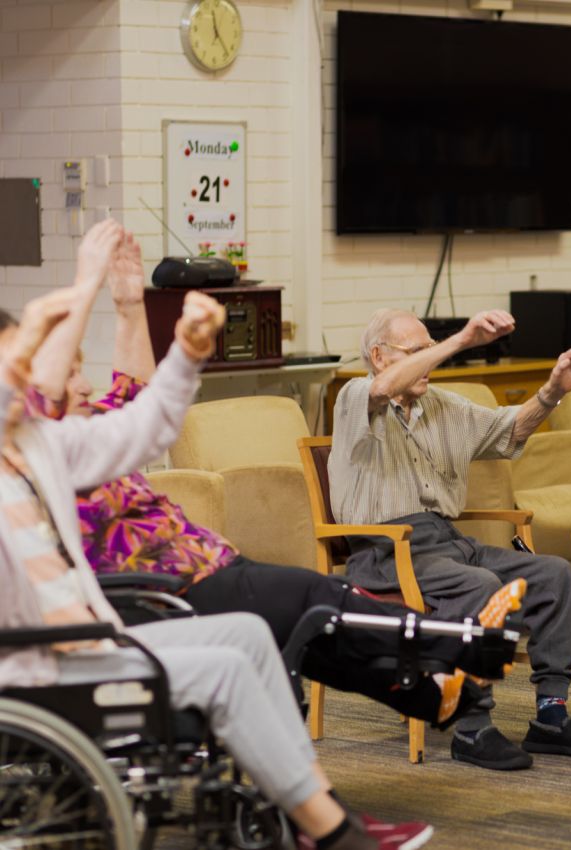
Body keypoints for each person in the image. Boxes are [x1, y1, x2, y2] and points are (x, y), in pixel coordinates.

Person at [17, 222, 524, 733]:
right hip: (169, 588)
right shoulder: (41, 455)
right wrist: (83, 284)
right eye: (73, 374)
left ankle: (431, 692)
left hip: (207, 566)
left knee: (314, 636)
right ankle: (455, 643)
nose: (86, 382)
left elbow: (137, 391)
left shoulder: (92, 433)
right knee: (314, 600)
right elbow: (31, 399)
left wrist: (129, 307)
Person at [0, 283, 409, 850]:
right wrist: (81, 286)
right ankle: (332, 832)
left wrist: (188, 354)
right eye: (14, 368)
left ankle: (311, 809)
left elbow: (144, 428)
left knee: (248, 633)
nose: (26, 384)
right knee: (228, 668)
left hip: (87, 640)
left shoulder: (36, 450)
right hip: (43, 665)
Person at [330, 307, 571, 771]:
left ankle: (551, 716)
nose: (430, 363)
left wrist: (553, 391)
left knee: (553, 573)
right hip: (384, 550)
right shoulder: (356, 396)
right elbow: (382, 389)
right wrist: (459, 340)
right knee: (478, 584)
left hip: (448, 542)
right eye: (419, 353)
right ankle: (472, 728)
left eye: (430, 352)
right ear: (379, 356)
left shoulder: (443, 407)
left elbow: (509, 429)